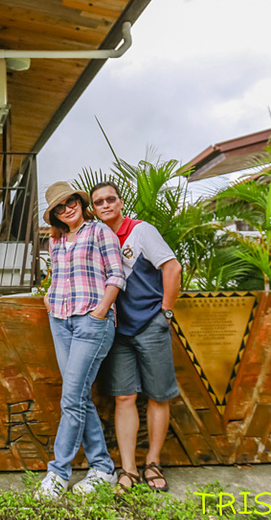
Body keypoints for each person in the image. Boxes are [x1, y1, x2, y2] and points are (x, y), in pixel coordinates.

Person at [89, 181, 182, 493]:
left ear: (120, 202)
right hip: (116, 329)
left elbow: (172, 267)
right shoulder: (96, 237)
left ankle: (153, 462)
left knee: (158, 396)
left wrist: (165, 312)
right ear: (93, 209)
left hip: (150, 324)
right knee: (124, 397)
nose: (105, 205)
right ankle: (128, 468)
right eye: (99, 201)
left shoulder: (142, 231)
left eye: (110, 199)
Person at [37, 181, 126, 498]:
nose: (66, 209)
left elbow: (116, 274)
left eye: (70, 201)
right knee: (79, 397)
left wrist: (101, 310)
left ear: (79, 201)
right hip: (60, 321)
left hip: (92, 321)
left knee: (70, 398)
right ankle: (103, 468)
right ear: (55, 216)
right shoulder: (57, 241)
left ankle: (58, 472)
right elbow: (57, 276)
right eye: (59, 208)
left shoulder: (100, 231)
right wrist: (48, 296)